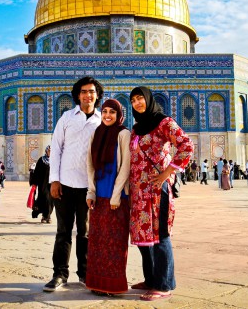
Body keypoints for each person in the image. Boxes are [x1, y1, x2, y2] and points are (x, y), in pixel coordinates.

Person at [128, 86, 193, 301]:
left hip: (157, 191)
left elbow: (186, 145)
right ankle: (151, 279)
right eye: (134, 100)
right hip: (139, 193)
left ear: (149, 100)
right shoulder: (136, 129)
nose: (138, 103)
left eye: (141, 99)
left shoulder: (164, 122)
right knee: (144, 237)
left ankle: (164, 284)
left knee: (160, 235)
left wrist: (167, 172)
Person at [44, 76, 103, 292]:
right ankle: (60, 274)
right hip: (65, 184)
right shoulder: (67, 118)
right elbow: (56, 148)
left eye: (92, 91)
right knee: (63, 231)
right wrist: (54, 180)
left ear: (97, 95)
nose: (88, 95)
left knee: (85, 233)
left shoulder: (101, 120)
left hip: (89, 186)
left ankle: (86, 274)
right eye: (84, 91)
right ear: (78, 95)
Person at [85, 98, 131, 295]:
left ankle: (113, 286)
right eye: (104, 112)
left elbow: (125, 167)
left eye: (112, 112)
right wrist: (91, 191)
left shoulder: (123, 134)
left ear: (119, 115)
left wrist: (116, 196)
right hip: (99, 196)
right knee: (97, 243)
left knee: (115, 244)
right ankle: (98, 284)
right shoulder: (97, 133)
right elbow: (89, 164)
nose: (107, 116)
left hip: (116, 198)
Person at [30, 146, 54, 223]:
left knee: (51, 200)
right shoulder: (41, 160)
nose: (50, 152)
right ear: (46, 151)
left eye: (51, 150)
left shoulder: (55, 160)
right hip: (43, 184)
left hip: (52, 183)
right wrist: (34, 183)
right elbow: (37, 172)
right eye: (49, 150)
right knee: (45, 198)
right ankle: (46, 216)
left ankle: (46, 215)